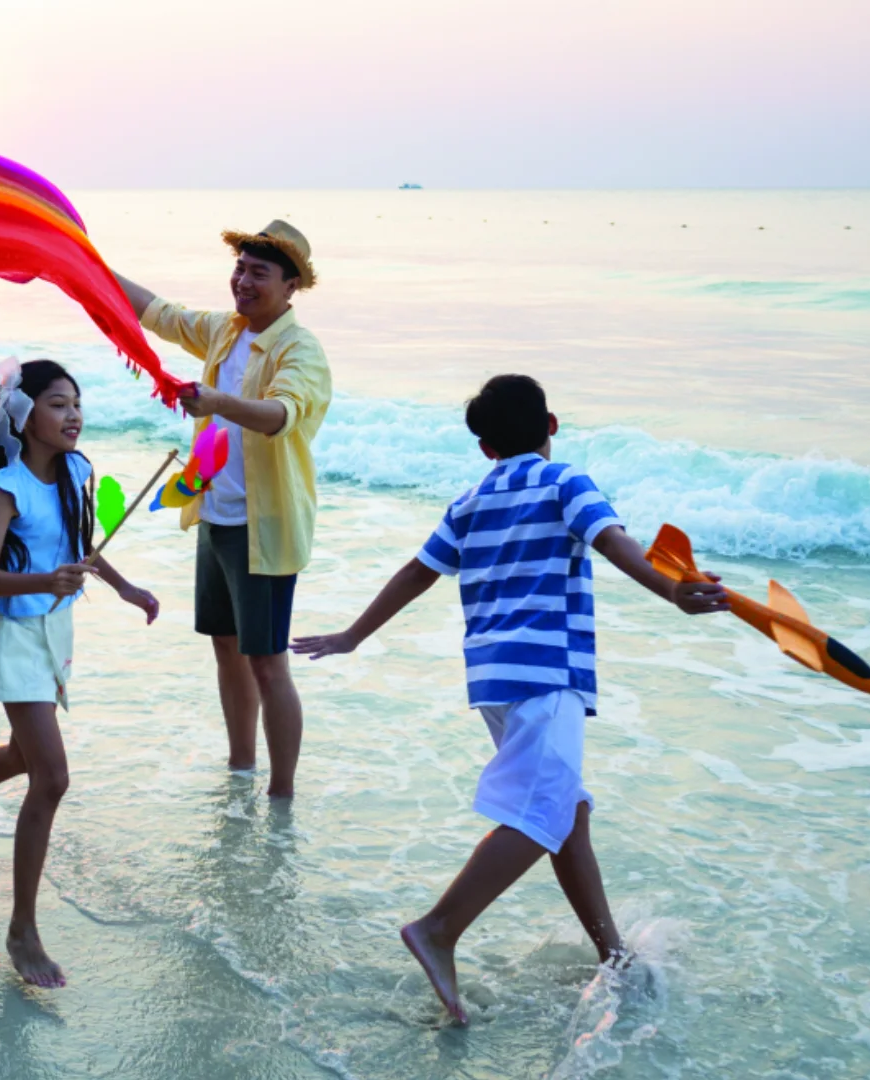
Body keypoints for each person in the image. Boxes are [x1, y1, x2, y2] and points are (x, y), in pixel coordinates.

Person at [293, 374, 730, 1023]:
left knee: (564, 812)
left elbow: (419, 571)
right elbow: (614, 543)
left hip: (493, 679)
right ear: (550, 426)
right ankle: (439, 928)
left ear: (484, 446)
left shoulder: (470, 500)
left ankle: (612, 952)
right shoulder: (566, 481)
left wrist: (355, 634)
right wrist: (670, 591)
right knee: (540, 810)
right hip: (547, 670)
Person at [0, 359, 160, 988]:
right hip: (17, 637)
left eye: (77, 403)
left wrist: (127, 588)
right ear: (25, 418)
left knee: (27, 757)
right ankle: (22, 930)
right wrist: (41, 580)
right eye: (58, 404)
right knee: (52, 777)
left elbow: (81, 550)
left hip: (57, 632)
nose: (73, 415)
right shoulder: (7, 486)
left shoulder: (79, 472)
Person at [113, 221, 332, 798]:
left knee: (268, 662)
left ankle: (282, 793)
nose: (244, 281)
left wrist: (217, 403)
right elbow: (157, 312)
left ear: (291, 287)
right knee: (225, 649)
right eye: (240, 268)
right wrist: (83, 264)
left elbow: (282, 416)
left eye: (260, 272)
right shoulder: (224, 331)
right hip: (214, 514)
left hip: (265, 529)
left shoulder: (300, 349)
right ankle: (241, 771)